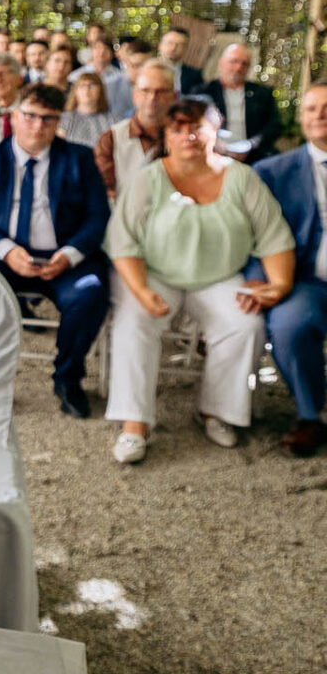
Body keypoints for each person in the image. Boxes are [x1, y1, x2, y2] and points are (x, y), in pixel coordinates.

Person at [104, 98, 294, 462]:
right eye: (177, 129)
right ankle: (134, 425)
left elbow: (274, 236)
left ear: (215, 132)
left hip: (219, 276)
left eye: (196, 127)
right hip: (155, 274)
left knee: (246, 325)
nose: (187, 136)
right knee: (133, 322)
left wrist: (279, 284)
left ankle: (215, 412)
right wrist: (142, 291)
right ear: (167, 135)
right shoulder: (149, 178)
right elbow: (121, 241)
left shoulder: (242, 178)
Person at [0, 83, 111, 418]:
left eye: (48, 119)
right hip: (4, 258)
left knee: (91, 293)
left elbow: (98, 216)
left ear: (58, 122)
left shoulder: (79, 158)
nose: (37, 126)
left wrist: (70, 254)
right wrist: (7, 250)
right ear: (15, 116)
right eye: (30, 116)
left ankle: (68, 377)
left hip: (65, 259)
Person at [252, 81, 327, 456]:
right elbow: (252, 236)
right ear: (301, 118)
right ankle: (310, 415)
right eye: (312, 108)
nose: (320, 116)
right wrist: (256, 283)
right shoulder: (272, 172)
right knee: (289, 324)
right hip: (303, 281)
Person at [93, 59, 174, 197]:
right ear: (134, 95)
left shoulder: (185, 137)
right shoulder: (112, 139)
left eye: (160, 91)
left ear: (174, 96)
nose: (152, 97)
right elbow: (103, 193)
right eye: (145, 90)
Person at [203, 43, 282, 163]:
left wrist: (251, 145)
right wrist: (218, 145)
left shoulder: (262, 93)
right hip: (214, 152)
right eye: (234, 61)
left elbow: (274, 125)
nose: (238, 67)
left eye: (244, 64)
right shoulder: (205, 91)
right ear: (221, 63)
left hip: (254, 154)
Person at [76, 33, 133, 121]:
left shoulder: (122, 78)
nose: (101, 52)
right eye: (97, 48)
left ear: (111, 53)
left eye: (105, 49)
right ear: (91, 52)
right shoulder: (77, 76)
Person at [60, 69, 112, 148]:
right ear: (75, 91)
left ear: (100, 90)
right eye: (82, 85)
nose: (87, 89)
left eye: (92, 85)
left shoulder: (113, 121)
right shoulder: (62, 119)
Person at [158, 25, 204, 95]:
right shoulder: (145, 70)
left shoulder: (194, 76)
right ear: (160, 46)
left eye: (179, 45)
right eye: (170, 43)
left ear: (186, 49)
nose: (173, 48)